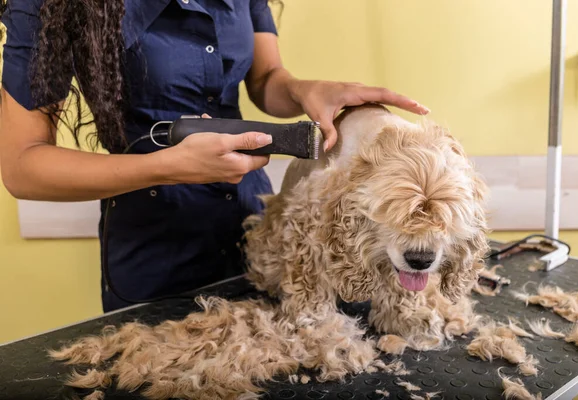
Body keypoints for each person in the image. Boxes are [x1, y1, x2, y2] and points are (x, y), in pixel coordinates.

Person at [0, 0, 430, 312]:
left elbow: (265, 80)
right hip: (157, 257)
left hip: (259, 234)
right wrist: (165, 167)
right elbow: (23, 168)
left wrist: (305, 90)